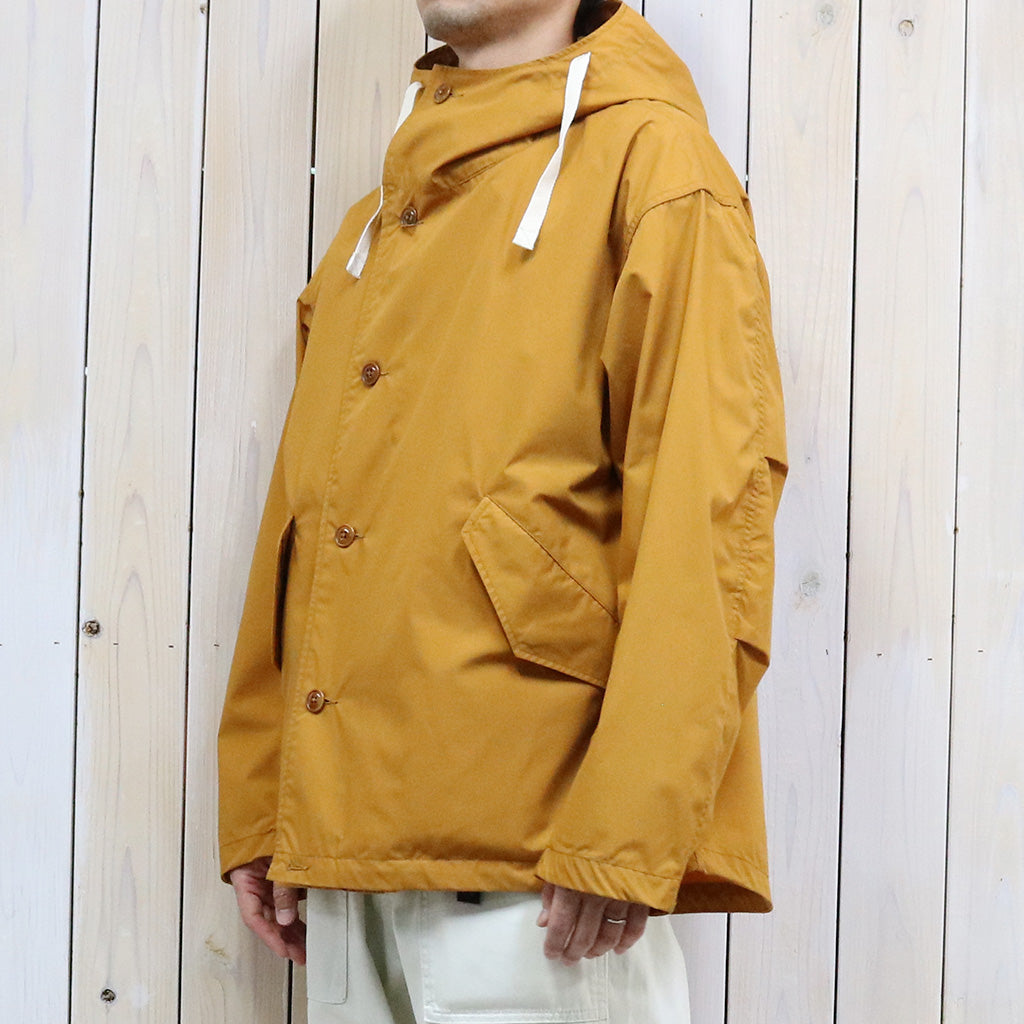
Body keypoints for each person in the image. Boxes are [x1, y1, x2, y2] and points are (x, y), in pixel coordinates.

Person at [218, 0, 787, 1020]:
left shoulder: (654, 167)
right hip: (345, 868)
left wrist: (626, 827)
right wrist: (268, 800)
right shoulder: (375, 225)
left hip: (541, 885)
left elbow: (708, 512)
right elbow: (304, 522)